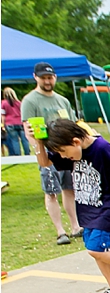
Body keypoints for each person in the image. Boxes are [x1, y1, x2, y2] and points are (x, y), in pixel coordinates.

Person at [35, 118, 110, 293]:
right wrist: (38, 140)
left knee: (96, 249)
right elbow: (45, 162)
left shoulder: (102, 149)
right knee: (98, 253)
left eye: (64, 152)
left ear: (76, 142)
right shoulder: (72, 150)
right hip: (89, 210)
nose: (63, 157)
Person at [21, 62, 81, 245]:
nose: (47, 81)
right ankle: (60, 230)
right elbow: (28, 129)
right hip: (47, 151)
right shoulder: (30, 101)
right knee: (51, 191)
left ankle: (75, 226)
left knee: (69, 188)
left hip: (66, 151)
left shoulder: (63, 100)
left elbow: (73, 125)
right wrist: (40, 151)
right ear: (36, 77)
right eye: (43, 78)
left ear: (54, 77)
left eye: (50, 77)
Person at [2, 88, 31, 157]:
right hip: (20, 123)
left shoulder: (3, 103)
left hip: (10, 124)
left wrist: (2, 125)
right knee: (25, 140)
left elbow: (2, 115)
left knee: (15, 140)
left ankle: (18, 155)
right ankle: (27, 154)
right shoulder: (19, 103)